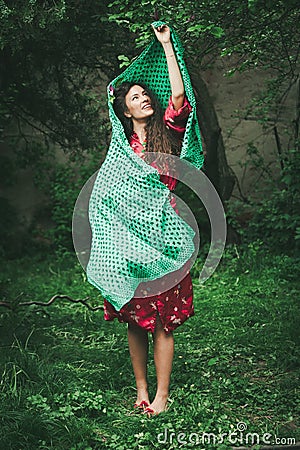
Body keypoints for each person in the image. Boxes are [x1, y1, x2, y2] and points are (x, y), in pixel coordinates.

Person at [102, 24, 195, 416]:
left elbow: (178, 96)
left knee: (162, 320)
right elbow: (107, 194)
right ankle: (141, 389)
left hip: (164, 236)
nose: (143, 99)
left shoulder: (167, 135)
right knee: (135, 316)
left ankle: (162, 395)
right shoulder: (121, 147)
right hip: (128, 238)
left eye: (145, 94)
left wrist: (167, 46)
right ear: (124, 111)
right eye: (134, 97)